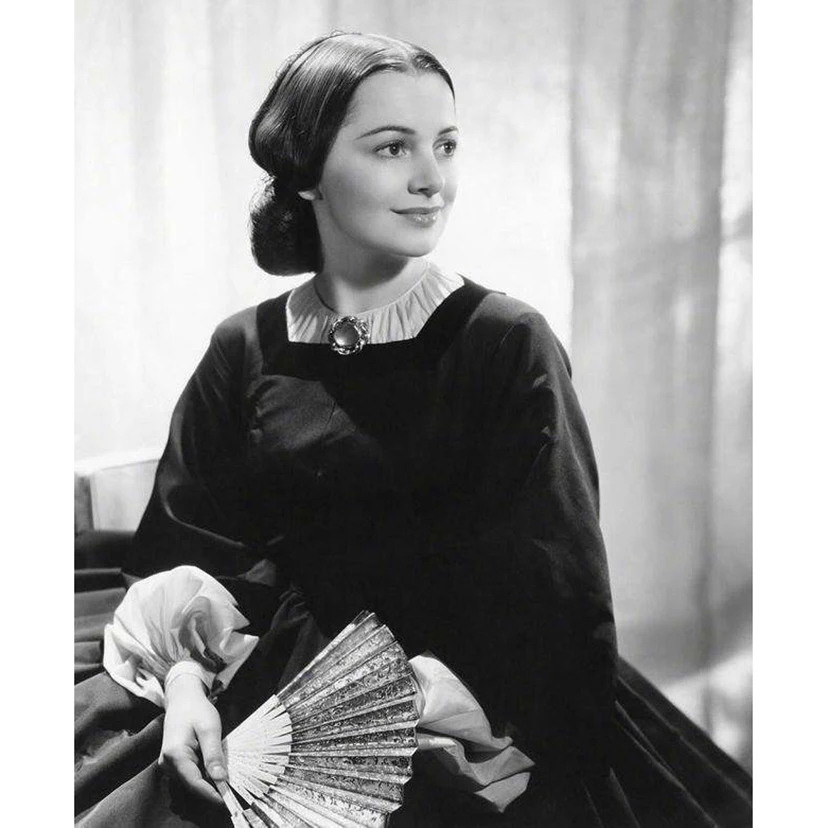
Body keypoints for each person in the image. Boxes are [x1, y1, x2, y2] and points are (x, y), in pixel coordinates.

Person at [75, 31, 752, 827]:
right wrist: (188, 685)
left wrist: (425, 713)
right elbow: (188, 542)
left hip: (465, 701)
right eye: (393, 147)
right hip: (252, 675)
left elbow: (555, 597)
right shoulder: (244, 346)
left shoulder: (505, 342)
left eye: (446, 144)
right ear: (307, 172)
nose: (433, 179)